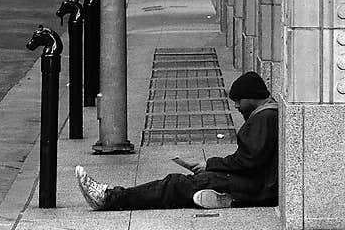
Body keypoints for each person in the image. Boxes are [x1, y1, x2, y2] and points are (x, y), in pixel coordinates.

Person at [75, 71, 278, 211]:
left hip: (253, 186)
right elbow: (249, 159)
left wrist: (210, 164)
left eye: (239, 101)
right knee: (188, 182)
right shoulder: (268, 114)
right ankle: (223, 196)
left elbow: (247, 161)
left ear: (251, 97)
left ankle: (110, 197)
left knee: (174, 184)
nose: (237, 107)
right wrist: (211, 166)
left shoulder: (264, 118)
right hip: (257, 184)